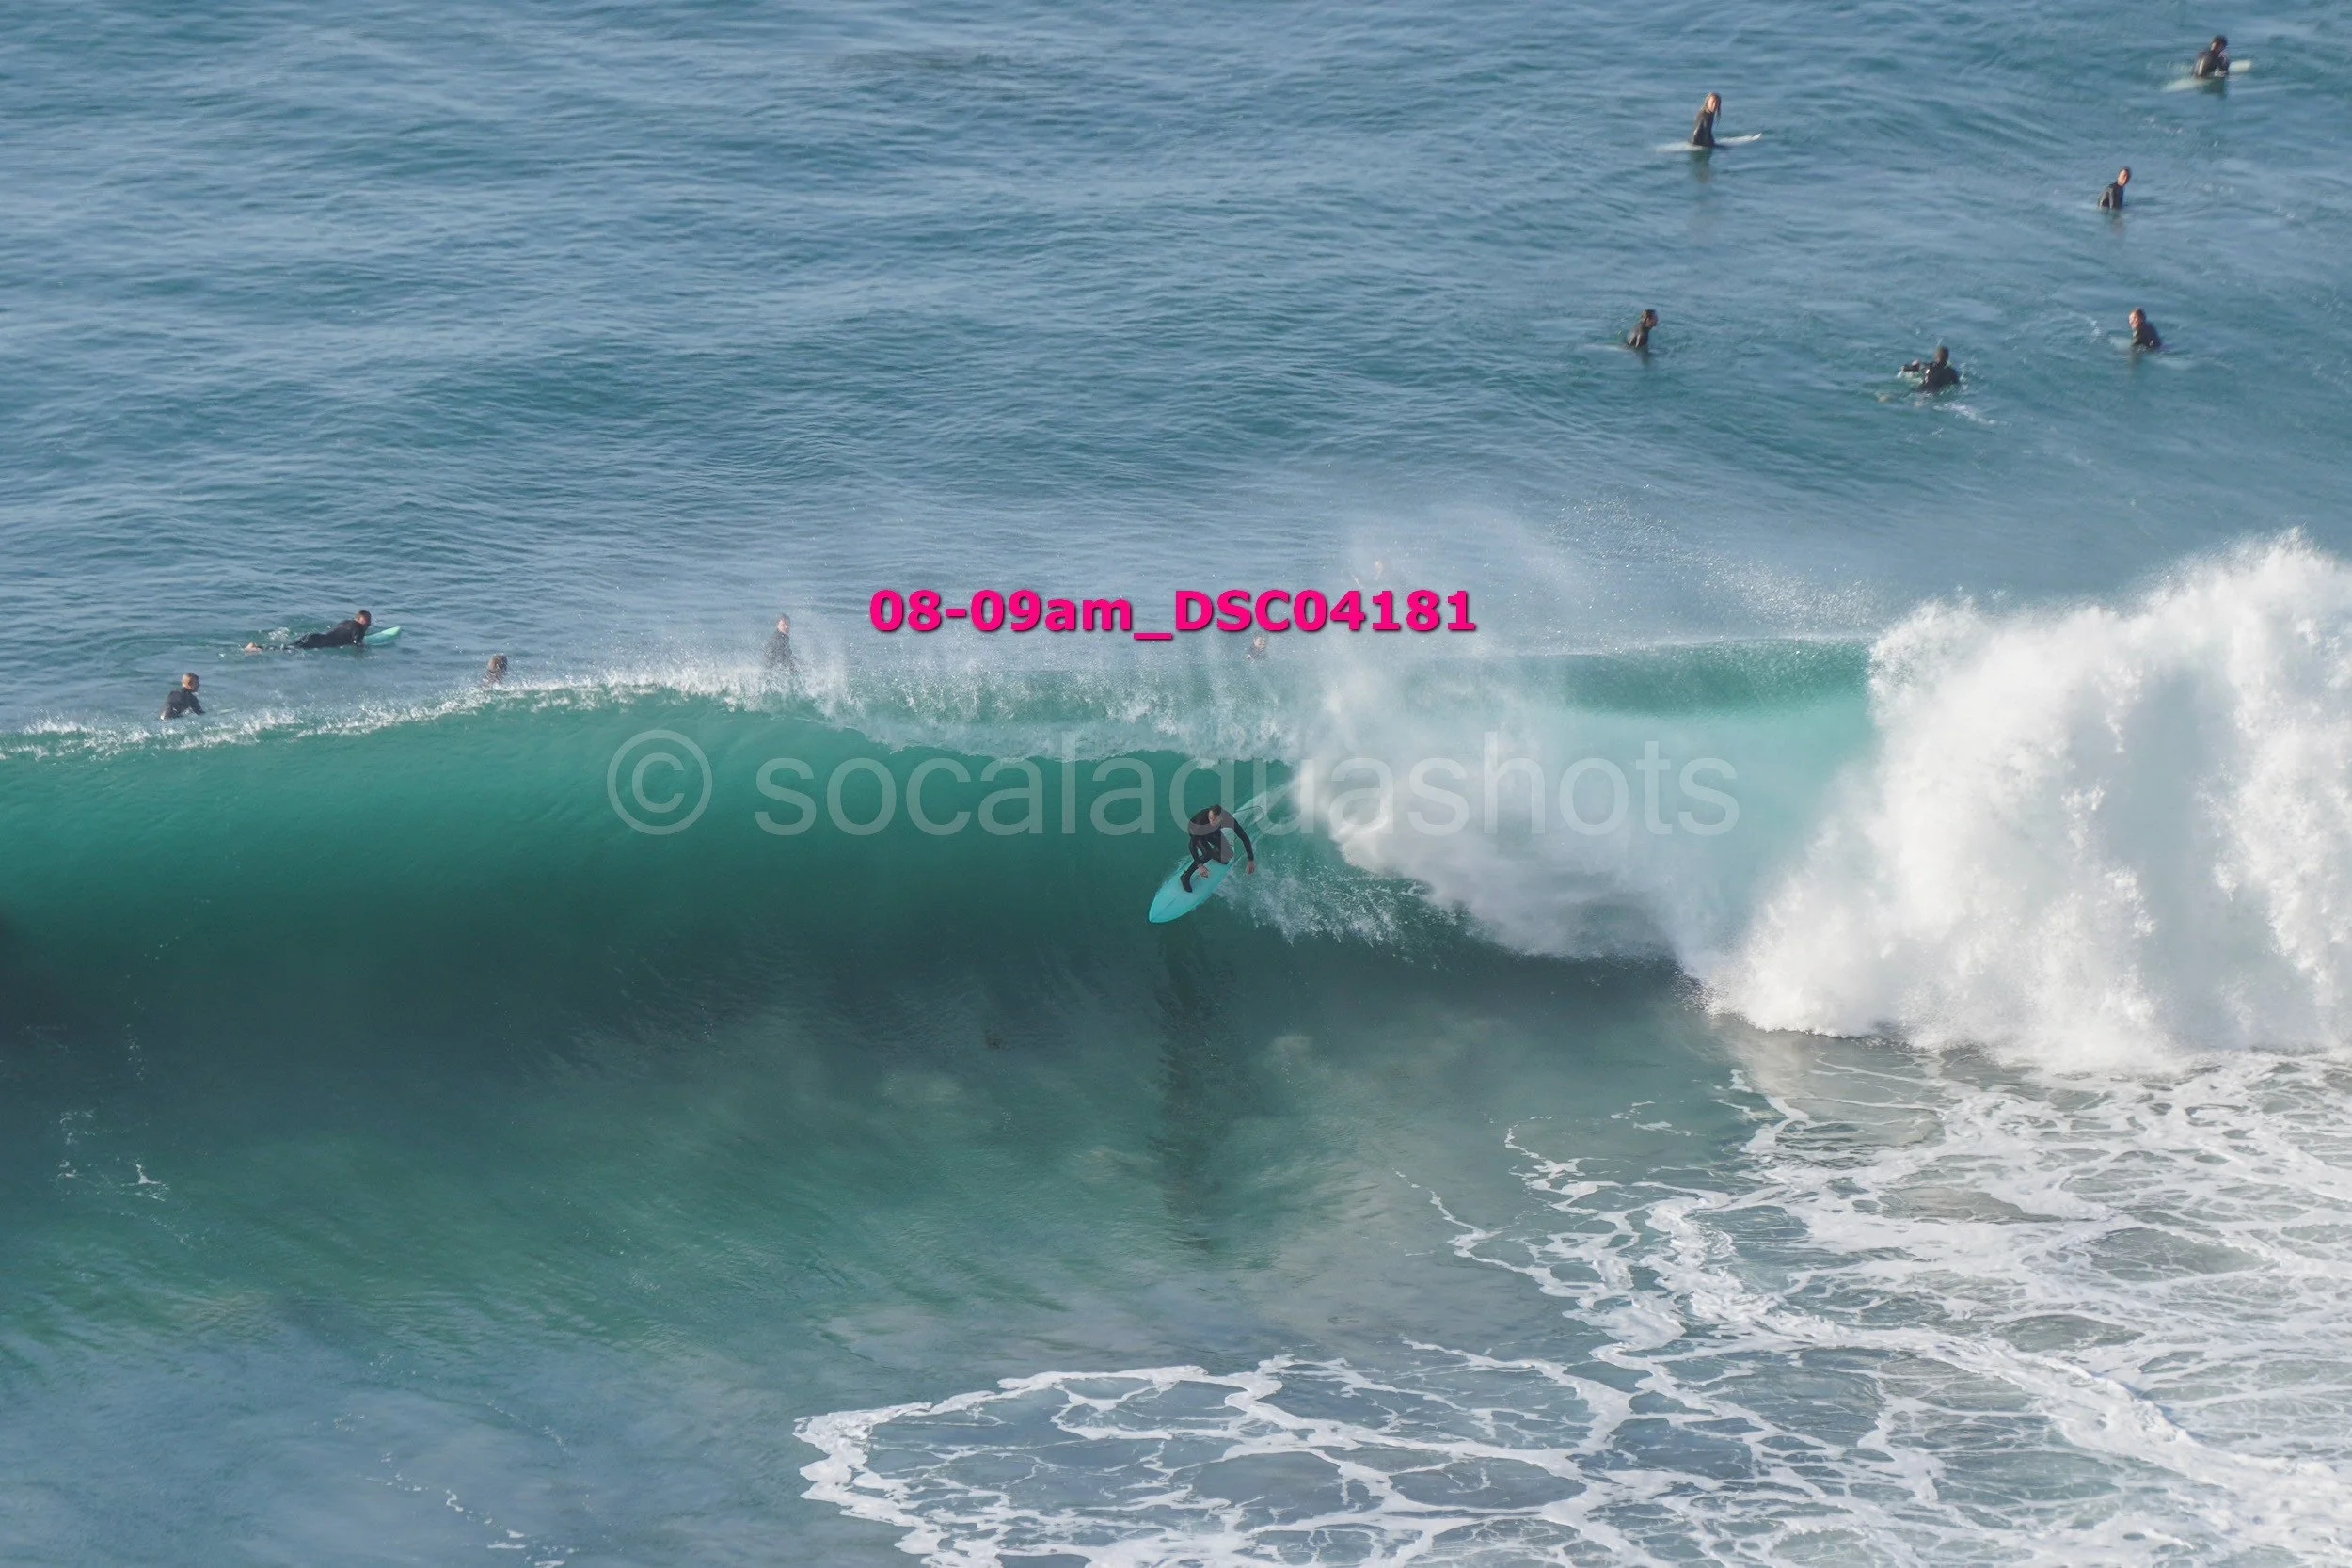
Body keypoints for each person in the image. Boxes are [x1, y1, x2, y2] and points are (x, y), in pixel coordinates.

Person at [1180, 804, 1256, 893]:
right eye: (1210, 818)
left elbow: (1244, 837)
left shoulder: (1228, 819)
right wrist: (1200, 865)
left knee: (1228, 854)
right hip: (1197, 831)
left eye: (1215, 819)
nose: (1211, 821)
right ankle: (1185, 876)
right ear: (1209, 814)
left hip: (1212, 831)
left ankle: (1212, 853)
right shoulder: (1201, 821)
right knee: (1207, 855)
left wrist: (1251, 860)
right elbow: (1191, 845)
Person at [247, 610, 371, 652]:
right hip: (319, 642)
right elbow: (357, 643)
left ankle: (258, 647)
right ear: (358, 619)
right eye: (366, 620)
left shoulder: (345, 622)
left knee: (289, 647)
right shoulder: (359, 628)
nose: (368, 623)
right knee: (288, 650)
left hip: (315, 636)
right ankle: (257, 648)